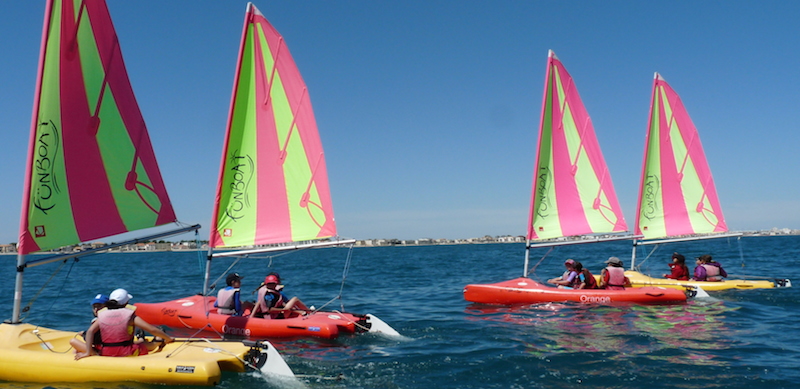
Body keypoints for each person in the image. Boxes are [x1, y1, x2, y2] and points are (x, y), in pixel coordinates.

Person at [75, 288, 173, 359]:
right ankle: (157, 342)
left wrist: (88, 352)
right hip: (126, 352)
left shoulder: (102, 315)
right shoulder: (130, 316)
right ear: (126, 302)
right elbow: (152, 330)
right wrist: (169, 338)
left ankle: (144, 339)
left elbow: (90, 331)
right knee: (141, 345)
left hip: (107, 353)